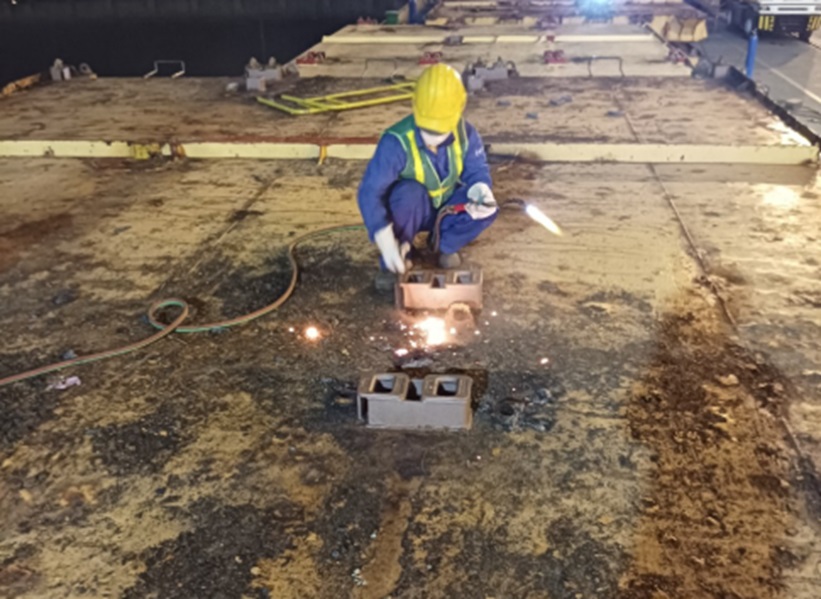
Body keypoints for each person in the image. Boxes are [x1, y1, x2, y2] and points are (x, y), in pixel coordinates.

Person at [357, 63, 498, 290]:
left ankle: (444, 244)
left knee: (488, 207)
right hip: (411, 212)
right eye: (427, 128)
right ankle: (398, 255)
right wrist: (383, 236)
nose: (433, 136)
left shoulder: (466, 133)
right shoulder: (396, 141)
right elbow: (370, 192)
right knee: (408, 194)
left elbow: (477, 170)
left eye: (440, 130)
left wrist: (480, 187)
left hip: (447, 211)